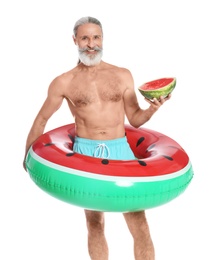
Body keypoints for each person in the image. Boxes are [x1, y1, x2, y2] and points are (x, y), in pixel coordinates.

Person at [23, 16, 171, 260]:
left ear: (103, 39)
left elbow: (134, 119)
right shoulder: (63, 82)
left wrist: (153, 109)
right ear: (75, 40)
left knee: (139, 223)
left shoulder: (122, 75)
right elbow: (41, 120)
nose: (91, 44)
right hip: (86, 153)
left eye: (96, 37)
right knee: (95, 222)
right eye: (85, 38)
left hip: (121, 150)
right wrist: (28, 156)